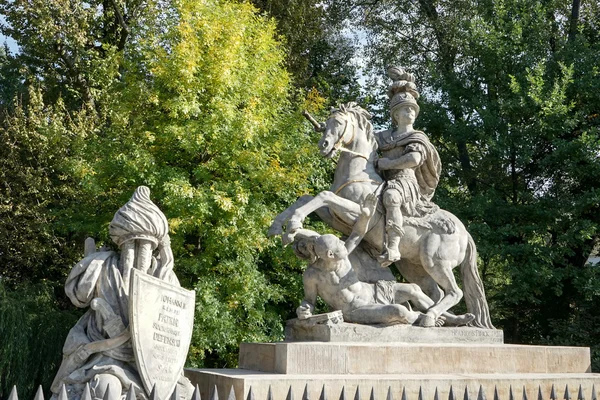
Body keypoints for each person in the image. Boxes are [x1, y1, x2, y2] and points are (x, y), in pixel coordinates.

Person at [50, 187, 193, 400]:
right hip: (106, 358)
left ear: (154, 246)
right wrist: (89, 264)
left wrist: (167, 257)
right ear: (121, 242)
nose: (137, 251)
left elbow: (174, 328)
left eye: (145, 245)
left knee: (181, 393)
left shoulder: (164, 278)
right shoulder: (102, 265)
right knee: (106, 389)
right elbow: (79, 297)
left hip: (149, 364)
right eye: (131, 244)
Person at [292, 193, 473, 326]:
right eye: (338, 245)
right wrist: (304, 309)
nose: (343, 244)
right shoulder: (312, 275)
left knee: (413, 289)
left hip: (373, 291)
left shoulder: (342, 256)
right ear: (330, 255)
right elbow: (309, 301)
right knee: (399, 311)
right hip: (356, 310)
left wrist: (366, 215)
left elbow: (358, 233)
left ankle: (449, 318)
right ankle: (423, 319)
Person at [374, 67, 442, 266]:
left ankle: (393, 247)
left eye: (412, 109)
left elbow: (413, 159)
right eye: (406, 109)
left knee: (391, 197)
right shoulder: (384, 136)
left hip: (405, 181)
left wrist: (388, 163)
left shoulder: (417, 137)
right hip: (382, 179)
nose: (410, 111)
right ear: (396, 115)